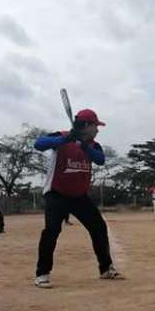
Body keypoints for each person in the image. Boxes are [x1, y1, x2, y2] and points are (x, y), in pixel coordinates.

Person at [33, 108, 124, 288]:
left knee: (98, 226)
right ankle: (42, 273)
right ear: (87, 125)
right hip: (56, 193)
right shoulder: (62, 136)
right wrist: (65, 139)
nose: (97, 130)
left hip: (78, 196)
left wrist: (82, 145)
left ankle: (105, 268)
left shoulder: (94, 145)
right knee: (51, 231)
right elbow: (39, 143)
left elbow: (100, 160)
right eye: (95, 126)